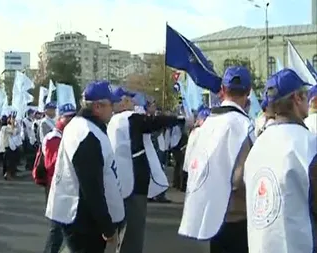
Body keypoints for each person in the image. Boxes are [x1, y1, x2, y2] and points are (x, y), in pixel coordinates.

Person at [178, 66, 255, 253]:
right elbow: (244, 177)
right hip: (237, 214)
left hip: (212, 211)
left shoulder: (207, 123)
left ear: (222, 90)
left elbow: (192, 166)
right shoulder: (245, 126)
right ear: (249, 92)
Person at [46, 81, 125, 253]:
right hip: (83, 220)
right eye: (111, 104)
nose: (114, 108)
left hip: (81, 216)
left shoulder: (85, 127)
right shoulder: (86, 134)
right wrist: (106, 226)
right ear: (98, 106)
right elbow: (91, 187)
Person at [244, 69, 315, 253]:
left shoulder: (257, 145)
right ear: (297, 98)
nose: (308, 100)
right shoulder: (308, 144)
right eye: (305, 95)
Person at [107, 86, 184, 253]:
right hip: (133, 183)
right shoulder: (127, 119)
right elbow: (153, 123)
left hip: (123, 180)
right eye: (129, 99)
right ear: (122, 102)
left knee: (126, 232)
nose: (133, 102)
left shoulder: (115, 121)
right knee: (132, 235)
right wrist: (179, 119)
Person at [42, 103, 76, 253]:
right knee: (56, 230)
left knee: (65, 229)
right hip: (55, 186)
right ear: (59, 117)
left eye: (73, 117)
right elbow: (52, 164)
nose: (70, 120)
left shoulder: (69, 134)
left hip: (68, 187)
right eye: (67, 117)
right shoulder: (53, 137)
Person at [0, 112, 20, 180]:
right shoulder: (4, 128)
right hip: (5, 147)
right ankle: (7, 175)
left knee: (7, 162)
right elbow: (13, 131)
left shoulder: (4, 127)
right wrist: (13, 123)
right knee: (8, 162)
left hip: (6, 147)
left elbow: (15, 131)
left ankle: (7, 174)